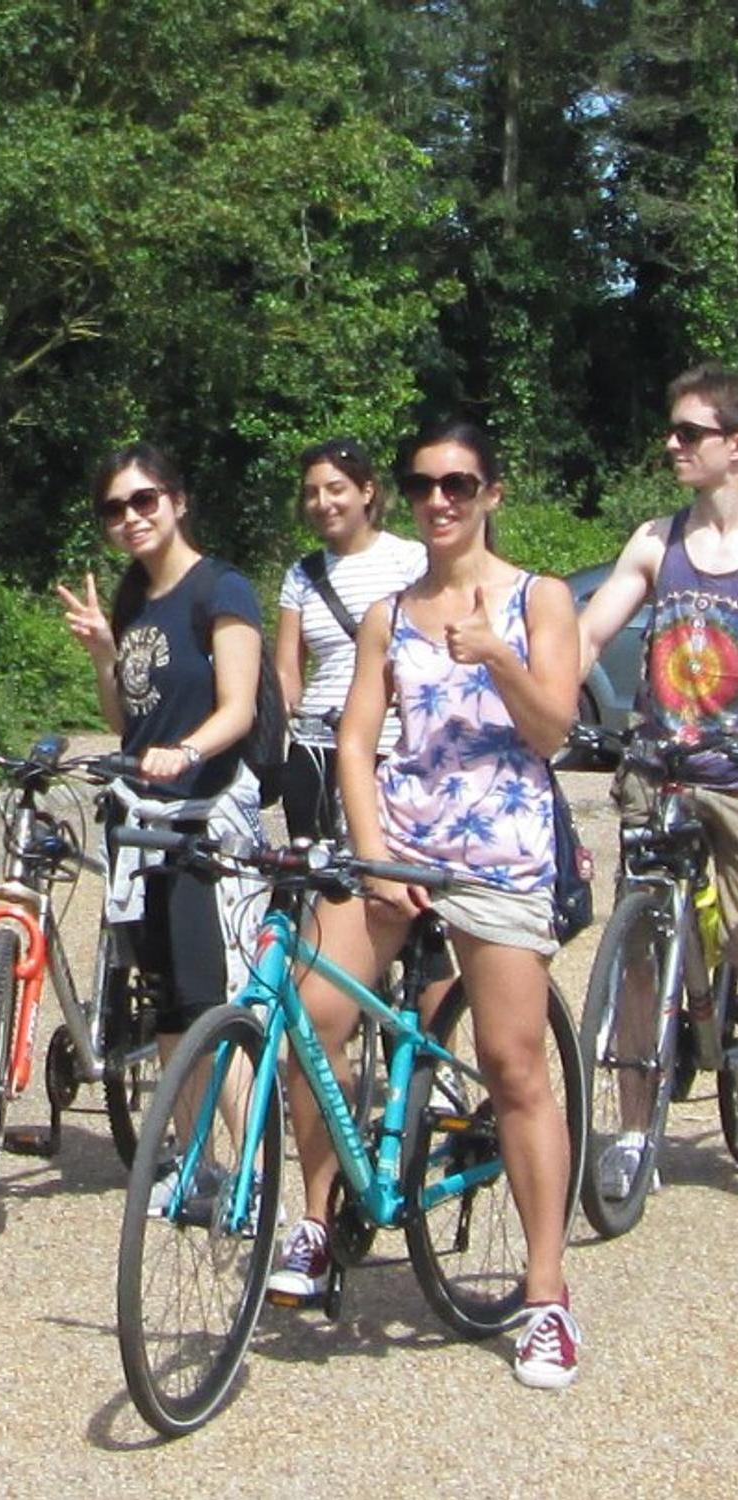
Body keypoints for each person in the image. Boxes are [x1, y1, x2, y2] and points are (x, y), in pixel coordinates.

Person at [271, 421, 582, 1388]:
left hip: (500, 854)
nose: (438, 501)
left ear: (491, 493)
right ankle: (318, 1217)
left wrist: (497, 656)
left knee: (513, 1065)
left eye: (457, 484)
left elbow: (554, 732)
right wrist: (372, 860)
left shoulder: (540, 598)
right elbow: (355, 741)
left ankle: (546, 1295)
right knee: (312, 1018)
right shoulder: (389, 614)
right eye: (422, 485)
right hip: (399, 846)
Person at [575, 362, 738, 1202]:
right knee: (637, 958)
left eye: (691, 432)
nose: (673, 444)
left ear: (734, 445)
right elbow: (587, 635)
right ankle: (637, 1132)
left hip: (734, 783)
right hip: (654, 773)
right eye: (672, 430)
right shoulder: (655, 542)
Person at [58, 443, 266, 1094]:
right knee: (167, 1004)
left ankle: (246, 1155)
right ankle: (188, 1147)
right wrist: (104, 653)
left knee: (210, 1002)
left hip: (203, 816)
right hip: (141, 819)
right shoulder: (134, 596)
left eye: (144, 500)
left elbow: (239, 708)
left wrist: (189, 751)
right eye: (114, 508)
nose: (131, 517)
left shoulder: (221, 588)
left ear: (177, 501)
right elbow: (126, 720)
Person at [273, 438, 426, 840]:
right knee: (311, 861)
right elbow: (288, 669)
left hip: (389, 744)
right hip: (316, 746)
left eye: (336, 489)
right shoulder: (301, 575)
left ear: (367, 491)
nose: (323, 503)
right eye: (312, 493)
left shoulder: (410, 561)